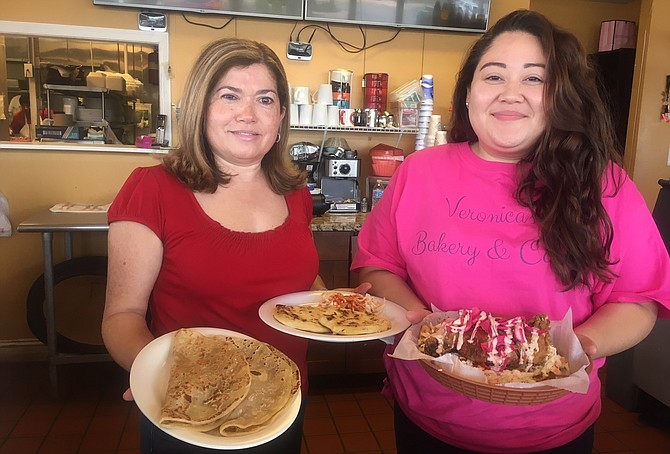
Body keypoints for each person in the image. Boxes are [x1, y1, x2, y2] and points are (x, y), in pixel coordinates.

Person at [352, 9, 670, 454]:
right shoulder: (420, 171)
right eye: (494, 76)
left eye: (535, 79)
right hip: (425, 417)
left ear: (562, 95)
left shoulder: (604, 184)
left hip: (552, 430)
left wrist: (578, 347)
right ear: (468, 94)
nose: (511, 94)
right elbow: (378, 264)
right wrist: (420, 322)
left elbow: (636, 300)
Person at [102, 38, 359, 454]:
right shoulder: (152, 189)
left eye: (265, 99)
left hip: (285, 402)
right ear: (202, 107)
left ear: (279, 117)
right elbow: (121, 317)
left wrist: (338, 307)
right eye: (230, 96)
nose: (248, 114)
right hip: (192, 413)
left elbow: (299, 279)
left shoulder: (294, 193)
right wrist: (154, 377)